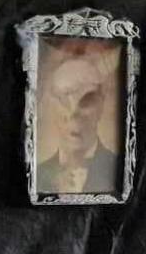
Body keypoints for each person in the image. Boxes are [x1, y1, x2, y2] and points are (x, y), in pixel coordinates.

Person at [37, 54, 118, 194]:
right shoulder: (38, 175)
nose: (73, 114)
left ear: (101, 105)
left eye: (86, 101)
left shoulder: (118, 168)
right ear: (52, 106)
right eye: (63, 100)